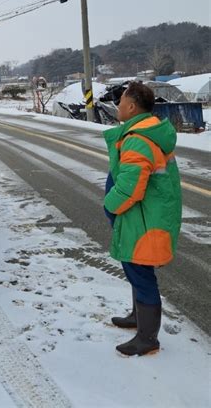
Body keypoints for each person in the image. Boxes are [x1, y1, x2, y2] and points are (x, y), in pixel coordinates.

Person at [103, 81, 182, 356]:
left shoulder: (138, 138)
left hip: (142, 217)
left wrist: (109, 204)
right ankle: (138, 318)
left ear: (132, 106)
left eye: (122, 100)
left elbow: (130, 188)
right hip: (143, 214)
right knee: (135, 269)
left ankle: (147, 338)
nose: (118, 105)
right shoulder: (146, 131)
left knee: (140, 271)